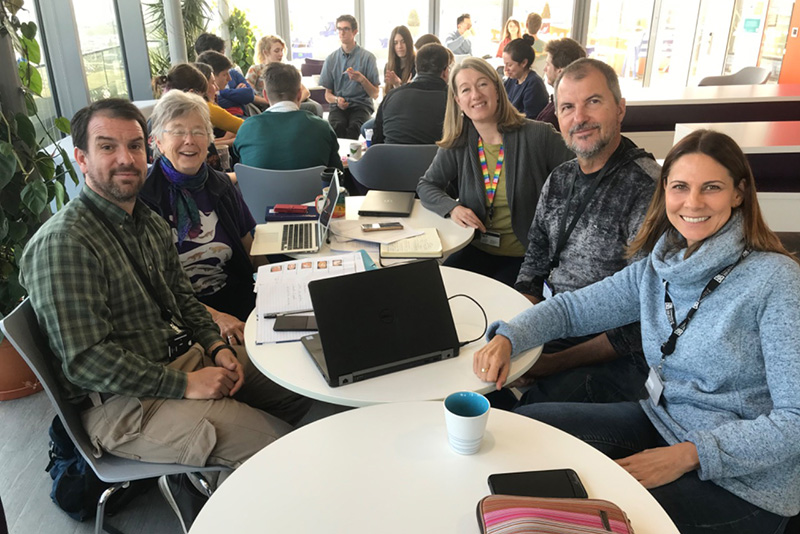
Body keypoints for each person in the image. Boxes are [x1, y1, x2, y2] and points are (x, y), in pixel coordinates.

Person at [474, 129, 800, 534]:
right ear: (665, 191)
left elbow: (795, 420)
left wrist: (691, 454)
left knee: (592, 521)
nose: (693, 202)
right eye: (680, 187)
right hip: (664, 421)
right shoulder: (660, 264)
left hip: (745, 482)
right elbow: (574, 309)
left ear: (738, 193)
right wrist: (510, 336)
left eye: (711, 188)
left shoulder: (776, 280)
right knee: (525, 429)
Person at [19, 98, 311, 530]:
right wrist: (186, 384)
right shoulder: (65, 244)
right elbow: (86, 362)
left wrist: (214, 345)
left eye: (134, 146)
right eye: (107, 147)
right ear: (80, 158)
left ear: (147, 150)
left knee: (302, 379)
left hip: (179, 359)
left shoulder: (148, 222)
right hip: (120, 405)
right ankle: (245, 494)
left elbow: (183, 299)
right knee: (279, 447)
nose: (125, 159)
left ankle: (223, 482)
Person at [511, 58, 659, 406]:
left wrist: (548, 364)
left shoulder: (647, 188)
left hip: (613, 353)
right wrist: (519, 333)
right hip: (556, 323)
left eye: (593, 102)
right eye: (567, 107)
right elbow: (533, 269)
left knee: (528, 415)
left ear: (620, 109)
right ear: (557, 117)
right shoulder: (560, 178)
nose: (579, 118)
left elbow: (642, 322)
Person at [417, 58, 573, 287]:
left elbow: (583, 174)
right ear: (458, 101)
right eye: (466, 89)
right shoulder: (460, 142)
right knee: (435, 290)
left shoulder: (538, 135)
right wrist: (452, 207)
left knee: (497, 309)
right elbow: (426, 185)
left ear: (497, 90)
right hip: (475, 248)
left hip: (526, 257)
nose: (476, 95)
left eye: (482, 84)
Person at [140, 89, 261, 346]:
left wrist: (274, 286)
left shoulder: (221, 186)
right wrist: (216, 318)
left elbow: (251, 248)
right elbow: (153, 289)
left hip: (232, 292)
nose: (189, 140)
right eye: (177, 131)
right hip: (179, 314)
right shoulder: (142, 199)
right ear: (158, 141)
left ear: (209, 140)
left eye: (198, 131)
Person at [233, 62, 342, 171]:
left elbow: (241, 168)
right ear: (299, 95)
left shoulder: (246, 128)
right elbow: (337, 173)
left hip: (259, 188)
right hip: (309, 188)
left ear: (265, 95)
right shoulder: (322, 127)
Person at [373, 43, 452, 145]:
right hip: (434, 160)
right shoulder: (453, 100)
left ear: (417, 69)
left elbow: (376, 141)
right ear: (445, 72)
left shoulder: (391, 96)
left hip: (392, 159)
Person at [319, 14, 380, 139]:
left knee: (355, 127)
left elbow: (375, 94)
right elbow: (327, 95)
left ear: (355, 32)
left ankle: (352, 158)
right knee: (337, 127)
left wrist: (362, 80)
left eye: (346, 29)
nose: (342, 33)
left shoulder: (368, 58)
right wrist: (337, 100)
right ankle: (339, 157)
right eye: (339, 29)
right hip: (338, 106)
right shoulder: (331, 59)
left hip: (361, 105)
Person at [245, 35, 323, 117]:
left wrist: (295, 103)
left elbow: (305, 91)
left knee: (316, 107)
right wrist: (267, 101)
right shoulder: (255, 70)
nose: (281, 54)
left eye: (282, 50)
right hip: (270, 106)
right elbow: (248, 94)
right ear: (265, 52)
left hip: (290, 104)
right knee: (313, 108)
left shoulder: (284, 70)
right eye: (277, 51)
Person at [194, 32, 269, 113]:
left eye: (223, 53)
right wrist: (237, 95)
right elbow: (216, 102)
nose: (223, 57)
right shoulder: (198, 81)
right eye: (220, 53)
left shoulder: (233, 73)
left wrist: (220, 93)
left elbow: (249, 94)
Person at [536, 38, 586, 130]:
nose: (545, 69)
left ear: (560, 72)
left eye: (548, 65)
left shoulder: (553, 117)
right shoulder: (578, 103)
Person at [195, 52, 245, 137]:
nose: (229, 79)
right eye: (213, 83)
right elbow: (245, 127)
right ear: (203, 86)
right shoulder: (206, 109)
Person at [502, 37, 548, 119]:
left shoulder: (534, 84)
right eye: (504, 64)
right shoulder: (512, 79)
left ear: (523, 63)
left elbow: (529, 120)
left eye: (509, 65)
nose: (505, 69)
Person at [384, 26, 417, 95]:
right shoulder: (388, 66)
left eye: (403, 42)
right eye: (395, 43)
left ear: (409, 43)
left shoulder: (417, 65)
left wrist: (397, 84)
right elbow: (387, 95)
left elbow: (410, 98)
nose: (400, 46)